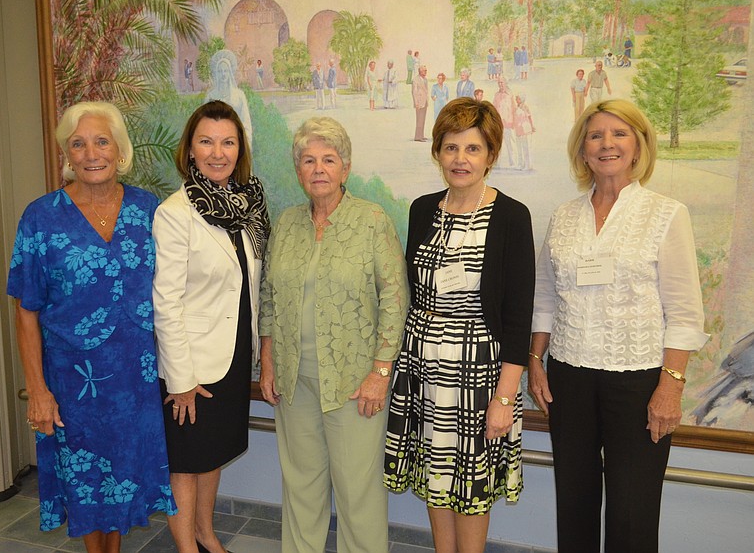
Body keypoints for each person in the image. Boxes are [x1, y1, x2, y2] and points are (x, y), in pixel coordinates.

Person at [528, 99, 709, 553]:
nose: (607, 144)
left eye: (619, 134)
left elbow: (685, 311)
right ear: (582, 150)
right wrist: (535, 360)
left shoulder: (666, 213)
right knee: (575, 502)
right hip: (570, 377)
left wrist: (670, 386)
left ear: (638, 146)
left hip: (640, 381)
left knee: (633, 511)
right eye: (595, 136)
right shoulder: (564, 216)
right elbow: (545, 297)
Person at [8, 101, 176, 552]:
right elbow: (27, 309)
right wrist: (37, 389)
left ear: (120, 150)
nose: (91, 153)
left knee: (121, 484)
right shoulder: (40, 217)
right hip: (72, 385)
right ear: (68, 153)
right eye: (78, 144)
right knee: (86, 487)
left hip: (134, 382)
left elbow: (177, 289)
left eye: (101, 141)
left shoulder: (148, 211)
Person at [384, 97, 535, 553]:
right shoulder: (422, 209)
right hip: (423, 365)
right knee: (436, 473)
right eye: (451, 148)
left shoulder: (511, 216)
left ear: (491, 155)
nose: (460, 159)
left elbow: (517, 316)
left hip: (478, 373)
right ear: (437, 152)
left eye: (472, 148)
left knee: (469, 489)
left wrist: (505, 397)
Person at [259, 116, 409, 553]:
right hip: (293, 381)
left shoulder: (371, 221)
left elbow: (395, 299)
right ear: (298, 169)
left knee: (357, 494)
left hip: (353, 383)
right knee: (301, 489)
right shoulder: (286, 224)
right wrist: (267, 360)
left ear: (345, 168)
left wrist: (380, 372)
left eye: (329, 159)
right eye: (309, 160)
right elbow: (269, 298)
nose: (319, 168)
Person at [153, 100, 270, 553]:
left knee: (213, 453)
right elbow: (165, 302)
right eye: (206, 141)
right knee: (186, 461)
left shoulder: (244, 206)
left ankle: (205, 532)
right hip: (192, 363)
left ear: (239, 149)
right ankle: (187, 547)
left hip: (234, 354)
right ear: (190, 149)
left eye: (228, 142)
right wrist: (180, 380)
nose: (217, 152)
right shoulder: (176, 212)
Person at [205, 50, 252, 150]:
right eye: (220, 71)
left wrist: (246, 144)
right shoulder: (210, 96)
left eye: (225, 71)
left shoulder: (239, 95)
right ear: (216, 73)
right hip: (215, 143)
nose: (223, 74)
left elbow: (245, 122)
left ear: (230, 72)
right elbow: (205, 123)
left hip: (235, 142)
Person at [493, 78, 518, 168]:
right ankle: (497, 164)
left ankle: (513, 163)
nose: (500, 84)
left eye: (502, 82)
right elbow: (494, 110)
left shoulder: (510, 94)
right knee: (498, 145)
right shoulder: (496, 95)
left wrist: (514, 122)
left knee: (510, 144)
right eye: (499, 82)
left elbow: (514, 108)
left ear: (506, 83)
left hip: (508, 123)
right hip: (499, 125)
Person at [514, 93, 535, 171]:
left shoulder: (525, 107)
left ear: (521, 99)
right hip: (518, 129)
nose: (516, 100)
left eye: (518, 98)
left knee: (526, 148)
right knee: (519, 148)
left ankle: (528, 165)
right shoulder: (517, 107)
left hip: (525, 129)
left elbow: (529, 117)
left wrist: (532, 126)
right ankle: (521, 164)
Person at [412, 65, 429, 141]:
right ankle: (418, 137)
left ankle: (421, 135)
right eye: (424, 70)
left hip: (425, 102)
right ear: (420, 71)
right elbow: (414, 92)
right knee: (419, 120)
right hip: (419, 102)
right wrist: (416, 103)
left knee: (423, 119)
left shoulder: (425, 79)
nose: (426, 72)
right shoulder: (416, 79)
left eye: (426, 70)